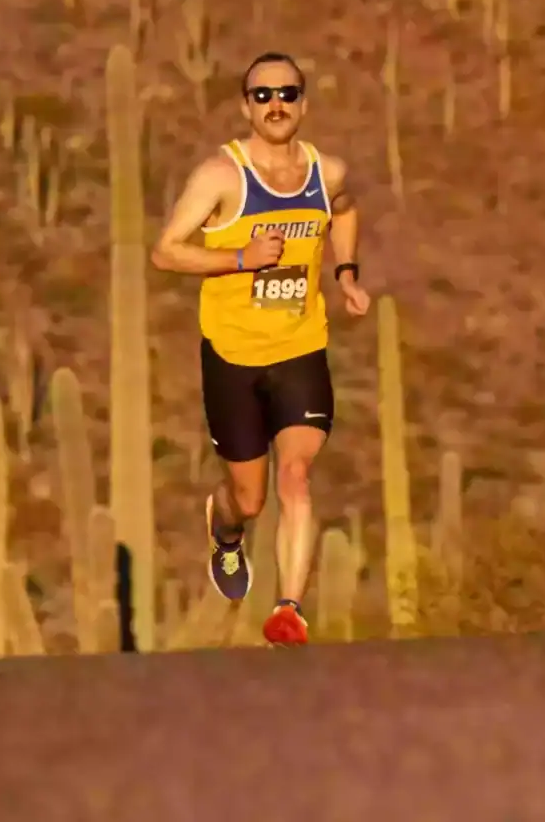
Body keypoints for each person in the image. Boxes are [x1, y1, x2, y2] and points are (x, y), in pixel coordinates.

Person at [149, 51, 368, 647]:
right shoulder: (221, 176)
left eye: (288, 94)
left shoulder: (330, 173)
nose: (276, 105)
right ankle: (224, 532)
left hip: (300, 350)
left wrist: (346, 273)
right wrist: (240, 259)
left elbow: (345, 210)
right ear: (247, 106)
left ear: (304, 104)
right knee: (248, 497)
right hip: (233, 358)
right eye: (263, 95)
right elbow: (165, 250)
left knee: (294, 478)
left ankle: (289, 611)